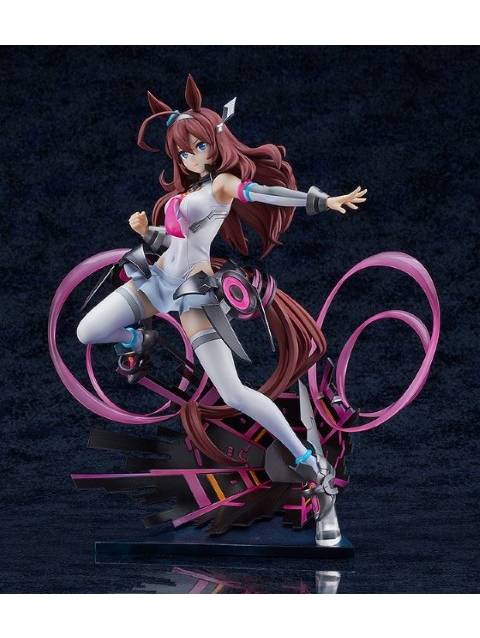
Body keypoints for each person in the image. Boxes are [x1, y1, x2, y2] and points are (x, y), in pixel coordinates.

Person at [76, 74, 367, 493]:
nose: (192, 158)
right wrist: (146, 231)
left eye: (198, 147)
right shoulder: (187, 192)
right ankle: (137, 340)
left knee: (232, 392)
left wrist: (319, 200)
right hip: (157, 280)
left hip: (193, 293)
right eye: (183, 152)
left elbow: (267, 193)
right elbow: (172, 241)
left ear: (216, 141)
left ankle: (305, 458)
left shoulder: (221, 185)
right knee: (88, 330)